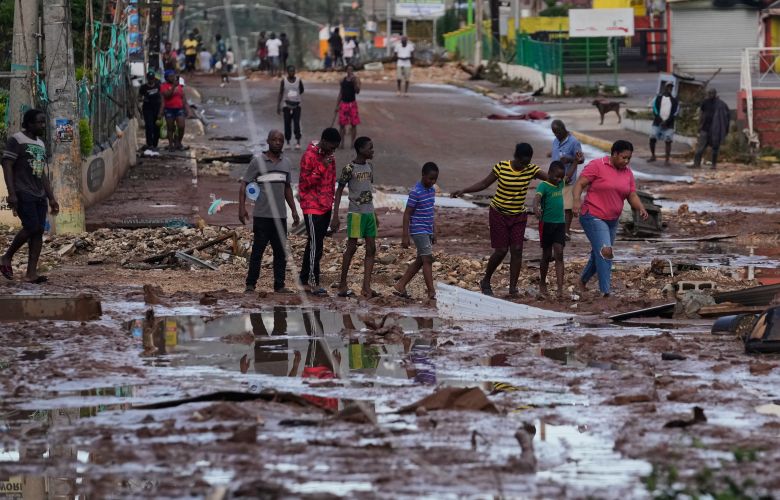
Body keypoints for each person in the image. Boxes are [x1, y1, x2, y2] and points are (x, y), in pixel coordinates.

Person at [452, 143, 548, 297]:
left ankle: (513, 288)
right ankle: (486, 280)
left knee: (517, 250)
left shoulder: (531, 169)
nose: (525, 165)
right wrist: (464, 190)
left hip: (518, 215)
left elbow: (551, 179)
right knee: (501, 250)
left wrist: (565, 173)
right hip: (498, 213)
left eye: (527, 162)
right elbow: (484, 183)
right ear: (515, 157)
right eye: (522, 162)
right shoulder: (501, 167)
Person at [572, 140, 649, 297]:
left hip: (612, 220)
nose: (626, 161)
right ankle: (605, 292)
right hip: (592, 215)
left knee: (598, 253)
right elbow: (579, 184)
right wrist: (575, 201)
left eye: (629, 158)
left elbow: (631, 194)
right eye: (623, 157)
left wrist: (640, 207)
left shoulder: (627, 173)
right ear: (614, 154)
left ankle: (582, 282)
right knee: (605, 251)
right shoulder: (597, 165)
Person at [0, 109, 59, 284]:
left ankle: (31, 273)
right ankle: (6, 257)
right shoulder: (16, 140)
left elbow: (41, 174)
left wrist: (51, 197)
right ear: (29, 123)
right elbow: (7, 165)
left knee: (38, 231)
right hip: (23, 191)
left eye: (43, 122)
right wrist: (11, 193)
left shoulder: (40, 144)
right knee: (31, 226)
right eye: (39, 122)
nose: (42, 125)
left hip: (39, 193)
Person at [239, 130, 300, 294]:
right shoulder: (257, 162)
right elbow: (244, 185)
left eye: (280, 140)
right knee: (257, 252)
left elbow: (287, 188)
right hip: (262, 216)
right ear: (268, 141)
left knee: (280, 252)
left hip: (280, 216)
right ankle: (250, 284)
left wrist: (294, 210)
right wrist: (241, 207)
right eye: (274, 139)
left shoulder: (286, 163)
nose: (277, 142)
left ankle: (279, 285)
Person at [332, 137, 379, 299]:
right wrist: (335, 215)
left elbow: (368, 192)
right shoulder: (349, 168)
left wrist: (375, 214)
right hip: (356, 214)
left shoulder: (370, 167)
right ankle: (342, 284)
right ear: (360, 150)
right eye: (370, 148)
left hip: (369, 213)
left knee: (371, 249)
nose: (372, 151)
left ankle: (366, 287)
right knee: (351, 248)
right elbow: (339, 191)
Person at [298, 128, 342, 296]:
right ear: (323, 141)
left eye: (335, 148)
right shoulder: (309, 156)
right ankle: (311, 282)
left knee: (316, 244)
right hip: (311, 206)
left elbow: (331, 183)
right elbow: (304, 184)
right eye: (331, 147)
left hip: (325, 206)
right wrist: (321, 167)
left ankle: (305, 280)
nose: (333, 151)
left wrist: (331, 207)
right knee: (315, 245)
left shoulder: (331, 157)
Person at [393, 162, 439, 301]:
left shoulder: (432, 190)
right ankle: (431, 292)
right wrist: (405, 235)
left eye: (435, 179)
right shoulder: (415, 192)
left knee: (421, 260)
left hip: (427, 229)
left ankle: (401, 284)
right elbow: (407, 214)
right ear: (423, 175)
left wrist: (434, 230)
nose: (432, 182)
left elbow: (430, 211)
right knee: (427, 259)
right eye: (430, 178)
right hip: (418, 230)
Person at [533, 161, 566, 299]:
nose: (559, 179)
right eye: (556, 176)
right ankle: (542, 283)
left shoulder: (561, 184)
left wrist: (576, 162)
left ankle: (560, 289)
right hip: (546, 224)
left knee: (559, 253)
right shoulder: (544, 185)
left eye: (561, 177)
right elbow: (537, 198)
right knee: (546, 255)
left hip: (560, 223)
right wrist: (535, 208)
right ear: (550, 173)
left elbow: (569, 175)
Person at [550, 119, 584, 238]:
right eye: (554, 133)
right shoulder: (555, 141)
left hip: (568, 178)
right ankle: (557, 229)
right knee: (556, 205)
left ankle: (566, 231)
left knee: (567, 207)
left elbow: (581, 159)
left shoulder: (574, 142)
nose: (556, 135)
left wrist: (569, 159)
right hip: (554, 178)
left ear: (564, 129)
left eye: (558, 132)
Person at [693, 88, 730, 169]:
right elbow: (701, 114)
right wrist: (699, 125)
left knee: (715, 148)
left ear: (715, 94)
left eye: (712, 93)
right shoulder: (705, 102)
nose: (710, 95)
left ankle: (713, 165)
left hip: (715, 130)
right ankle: (696, 164)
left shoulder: (721, 104)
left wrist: (725, 130)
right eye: (709, 93)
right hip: (705, 128)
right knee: (700, 147)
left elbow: (726, 117)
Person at [159, 69, 192, 151]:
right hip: (169, 109)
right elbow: (167, 95)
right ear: (166, 78)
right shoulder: (164, 86)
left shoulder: (179, 87)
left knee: (181, 126)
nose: (173, 78)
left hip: (179, 109)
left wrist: (188, 110)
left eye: (173, 76)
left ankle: (178, 142)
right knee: (170, 128)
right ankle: (171, 144)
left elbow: (183, 99)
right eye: (171, 76)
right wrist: (173, 86)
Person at [649, 82, 680, 165]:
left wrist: (666, 121)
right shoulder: (658, 98)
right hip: (657, 123)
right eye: (668, 87)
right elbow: (655, 109)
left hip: (669, 124)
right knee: (652, 138)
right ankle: (653, 155)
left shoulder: (674, 100)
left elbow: (675, 113)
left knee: (668, 141)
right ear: (665, 88)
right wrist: (660, 120)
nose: (670, 89)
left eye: (671, 87)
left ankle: (667, 160)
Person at [277, 65, 304, 150]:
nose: (292, 72)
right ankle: (288, 142)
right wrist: (278, 105)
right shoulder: (284, 81)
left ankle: (298, 142)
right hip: (286, 106)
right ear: (287, 72)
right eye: (290, 71)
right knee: (287, 124)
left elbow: (302, 90)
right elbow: (281, 93)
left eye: (293, 71)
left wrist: (295, 95)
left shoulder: (298, 81)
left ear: (295, 71)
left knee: (297, 124)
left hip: (297, 105)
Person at [336, 64, 361, 149]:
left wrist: (355, 83)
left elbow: (357, 91)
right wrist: (337, 105)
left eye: (351, 69)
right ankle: (341, 143)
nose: (350, 71)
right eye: (348, 69)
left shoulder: (356, 79)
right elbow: (341, 93)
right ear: (346, 70)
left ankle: (352, 143)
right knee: (342, 125)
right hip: (344, 104)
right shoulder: (343, 80)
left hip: (352, 104)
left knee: (354, 124)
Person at [139, 71, 162, 151]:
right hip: (147, 109)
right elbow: (139, 97)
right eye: (150, 79)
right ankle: (150, 144)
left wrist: (161, 111)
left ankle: (155, 144)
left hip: (157, 109)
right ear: (147, 79)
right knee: (149, 126)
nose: (151, 80)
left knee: (157, 127)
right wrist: (143, 98)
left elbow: (161, 97)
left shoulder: (158, 86)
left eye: (152, 79)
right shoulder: (143, 87)